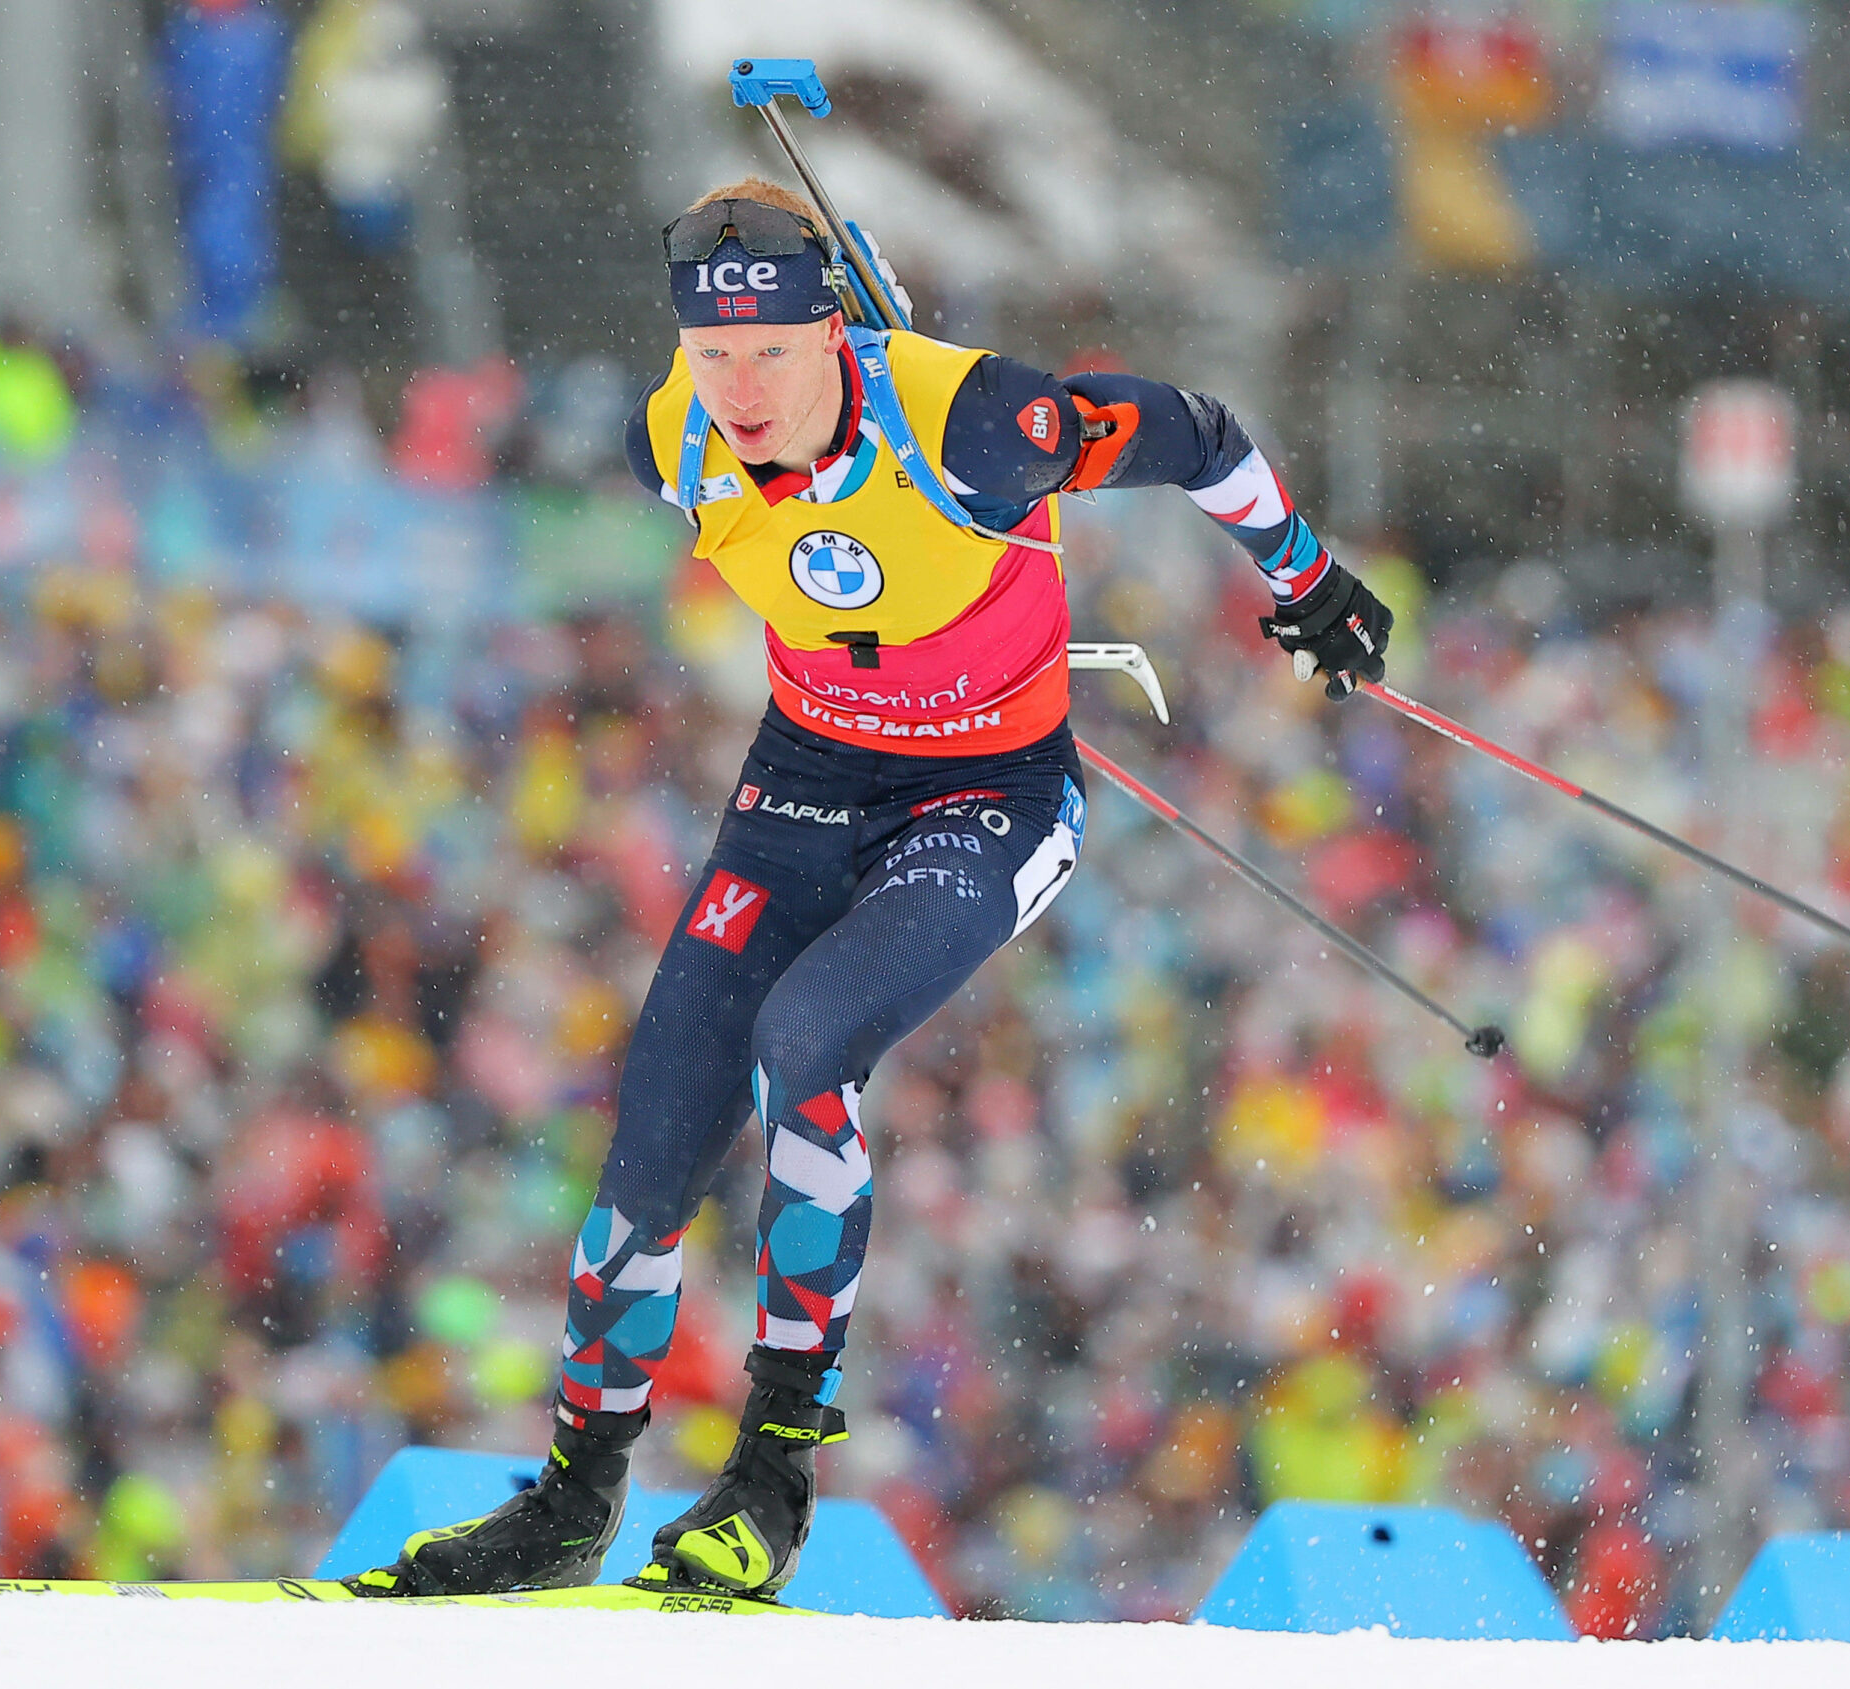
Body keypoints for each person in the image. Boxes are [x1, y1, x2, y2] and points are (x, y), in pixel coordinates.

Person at [352, 179, 1392, 1601]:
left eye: (772, 353)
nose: (738, 390)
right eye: (713, 357)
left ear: (834, 331)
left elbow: (1200, 436)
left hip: (987, 798)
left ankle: (770, 1477)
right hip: (803, 782)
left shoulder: (976, 422)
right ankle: (573, 1498)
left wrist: (1306, 575)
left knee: (808, 1039)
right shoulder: (680, 433)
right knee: (652, 1140)